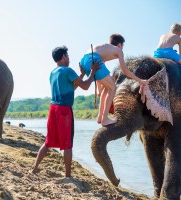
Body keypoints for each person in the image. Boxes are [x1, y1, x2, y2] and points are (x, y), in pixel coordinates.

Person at [30, 46, 100, 177]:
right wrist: (93, 72)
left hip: (53, 109)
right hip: (64, 110)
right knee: (67, 144)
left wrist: (83, 74)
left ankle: (34, 168)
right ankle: (68, 176)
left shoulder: (53, 72)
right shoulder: (68, 70)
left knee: (48, 141)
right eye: (67, 56)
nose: (69, 59)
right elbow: (84, 86)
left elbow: (71, 88)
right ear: (63, 57)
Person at [80, 34, 148, 126]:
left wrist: (99, 90)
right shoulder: (118, 50)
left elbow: (100, 76)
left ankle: (100, 117)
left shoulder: (104, 48)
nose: (122, 49)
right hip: (92, 59)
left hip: (84, 60)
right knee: (112, 87)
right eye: (122, 47)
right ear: (119, 45)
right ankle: (105, 120)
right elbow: (125, 71)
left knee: (107, 87)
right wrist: (140, 80)